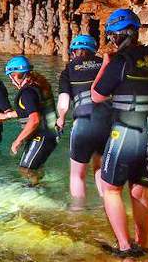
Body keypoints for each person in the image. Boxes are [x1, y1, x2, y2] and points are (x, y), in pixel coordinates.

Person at [91, 8, 148, 258]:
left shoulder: (120, 61)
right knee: (139, 191)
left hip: (127, 133)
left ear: (115, 36)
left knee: (110, 188)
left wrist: (105, 65)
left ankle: (125, 248)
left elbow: (96, 95)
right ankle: (142, 243)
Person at [57, 34, 112, 210]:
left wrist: (61, 117)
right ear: (93, 50)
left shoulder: (69, 69)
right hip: (108, 122)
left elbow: (64, 99)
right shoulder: (105, 64)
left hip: (84, 122)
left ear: (73, 52)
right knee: (100, 168)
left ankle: (79, 215)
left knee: (77, 175)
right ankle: (108, 209)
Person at [0, 56, 58, 186]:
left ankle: (37, 196)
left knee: (25, 169)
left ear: (15, 75)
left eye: (11, 76)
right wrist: (6, 115)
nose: (11, 80)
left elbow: (34, 119)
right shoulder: (37, 86)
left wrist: (18, 140)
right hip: (48, 136)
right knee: (35, 168)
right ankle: (40, 189)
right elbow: (30, 111)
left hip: (41, 137)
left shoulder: (27, 93)